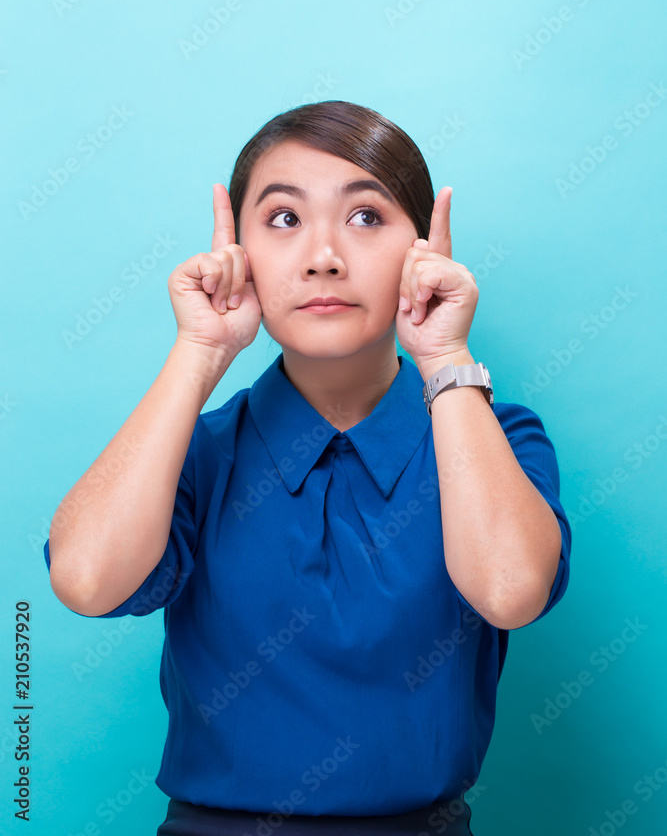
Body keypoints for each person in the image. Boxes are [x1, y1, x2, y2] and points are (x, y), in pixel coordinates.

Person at [44, 100, 572, 835]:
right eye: (285, 218)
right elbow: (85, 580)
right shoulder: (197, 453)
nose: (323, 256)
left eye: (365, 217)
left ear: (422, 250)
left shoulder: (496, 437)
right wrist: (200, 351)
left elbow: (510, 591)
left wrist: (445, 356)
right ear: (240, 253)